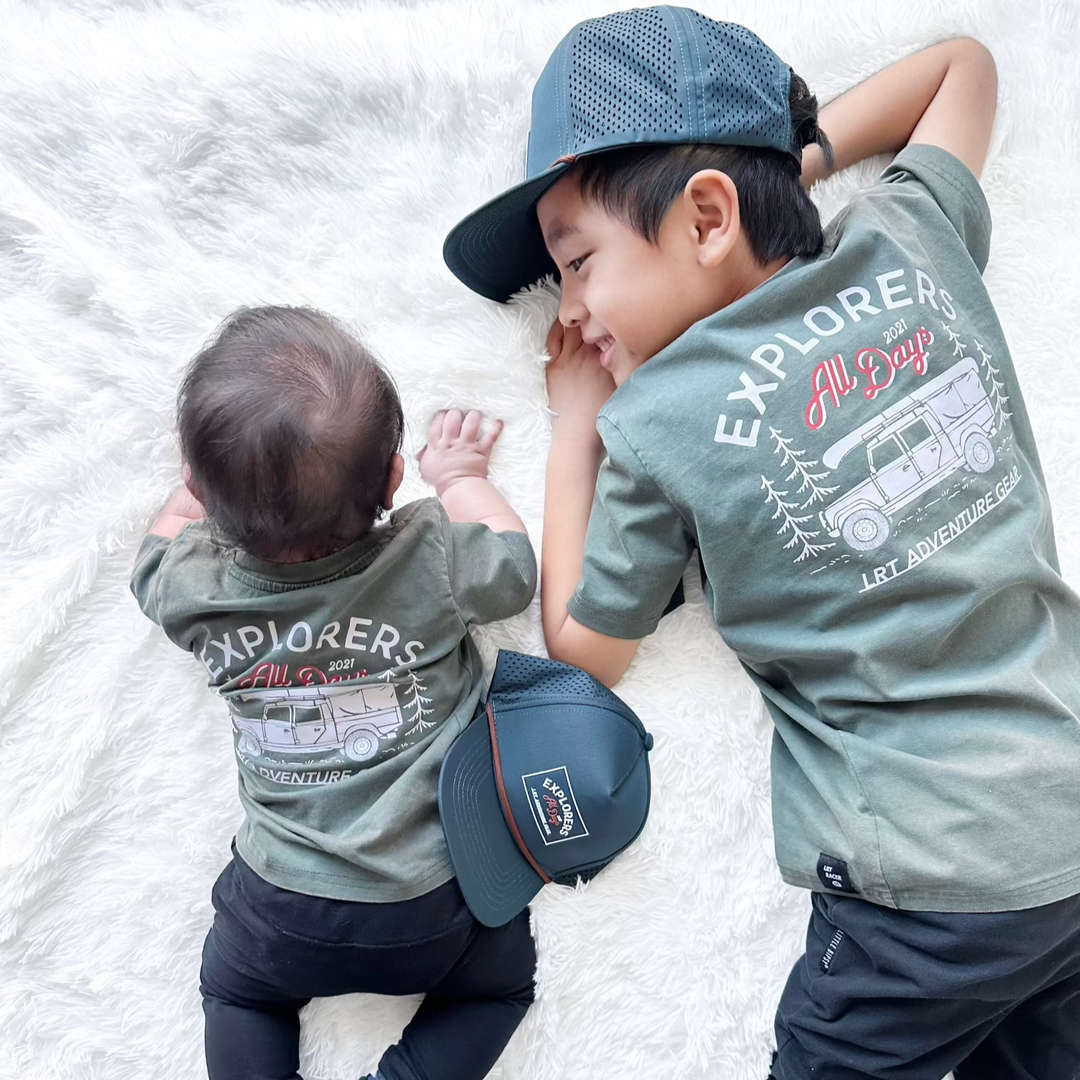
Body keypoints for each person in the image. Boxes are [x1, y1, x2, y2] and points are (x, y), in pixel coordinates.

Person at [441, 9, 1080, 1078]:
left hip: (921, 886)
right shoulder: (907, 236)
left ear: (707, 215)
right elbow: (962, 70)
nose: (572, 305)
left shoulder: (659, 422)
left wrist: (578, 428)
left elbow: (582, 655)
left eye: (580, 262)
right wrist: (796, 165)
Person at [130, 305, 537, 1080]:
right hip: (433, 897)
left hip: (280, 901)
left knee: (238, 998)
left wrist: (197, 494)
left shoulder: (192, 587)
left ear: (197, 490)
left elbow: (155, 550)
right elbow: (514, 565)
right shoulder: (430, 557)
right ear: (393, 479)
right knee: (500, 990)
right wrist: (463, 479)